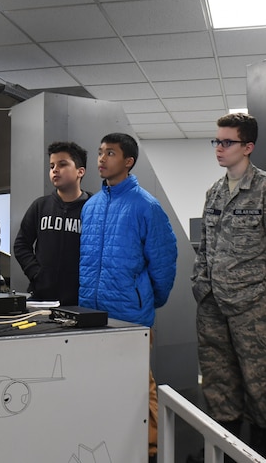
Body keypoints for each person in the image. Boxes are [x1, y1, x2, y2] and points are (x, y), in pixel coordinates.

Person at [190, 113, 266, 458]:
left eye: (227, 142)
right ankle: (223, 452)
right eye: (217, 141)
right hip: (213, 306)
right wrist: (200, 284)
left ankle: (256, 452)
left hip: (253, 309)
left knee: (259, 386)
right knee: (217, 385)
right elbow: (205, 247)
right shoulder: (214, 192)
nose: (219, 148)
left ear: (248, 147)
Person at [79, 132, 177, 463]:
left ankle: (152, 452)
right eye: (100, 152)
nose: (102, 159)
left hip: (130, 317)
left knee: (139, 387)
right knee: (100, 385)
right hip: (92, 315)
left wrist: (145, 301)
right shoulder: (91, 206)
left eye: (111, 153)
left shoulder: (146, 206)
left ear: (128, 161)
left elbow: (163, 264)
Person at [13, 141, 92, 305]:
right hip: (42, 297)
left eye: (62, 164)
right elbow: (21, 244)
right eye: (51, 166)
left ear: (80, 171)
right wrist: (36, 273)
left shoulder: (94, 207)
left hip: (81, 299)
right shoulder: (40, 206)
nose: (55, 170)